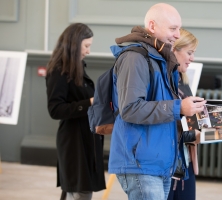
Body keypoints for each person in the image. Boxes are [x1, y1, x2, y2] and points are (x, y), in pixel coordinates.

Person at [108, 3, 206, 200]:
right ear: (152, 26)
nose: (178, 35)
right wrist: (180, 107)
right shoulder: (135, 58)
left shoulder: (161, 61)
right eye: (173, 28)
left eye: (178, 28)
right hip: (141, 164)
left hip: (160, 164)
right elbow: (130, 109)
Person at [45, 23, 106, 200]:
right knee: (79, 191)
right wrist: (90, 102)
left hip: (86, 140)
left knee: (78, 191)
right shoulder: (59, 70)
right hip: (74, 142)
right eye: (86, 46)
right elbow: (55, 109)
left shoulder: (76, 67)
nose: (88, 51)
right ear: (74, 43)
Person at [167, 28, 201, 200]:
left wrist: (201, 132)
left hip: (185, 163)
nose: (192, 59)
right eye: (189, 53)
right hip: (168, 165)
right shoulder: (164, 83)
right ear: (174, 49)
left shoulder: (184, 83)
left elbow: (190, 128)